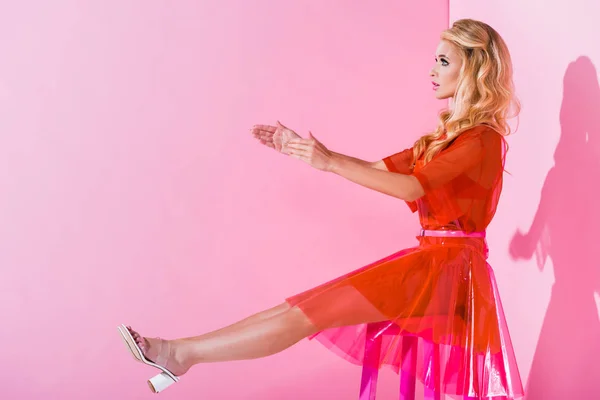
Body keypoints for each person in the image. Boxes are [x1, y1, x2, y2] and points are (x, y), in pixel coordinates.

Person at [118, 18, 525, 398]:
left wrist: (328, 161)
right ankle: (178, 353)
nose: (432, 70)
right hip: (431, 262)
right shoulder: (442, 141)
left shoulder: (482, 140)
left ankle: (179, 355)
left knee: (303, 316)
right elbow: (373, 169)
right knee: (295, 309)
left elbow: (408, 186)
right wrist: (310, 151)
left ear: (473, 70)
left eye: (443, 61)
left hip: (449, 272)